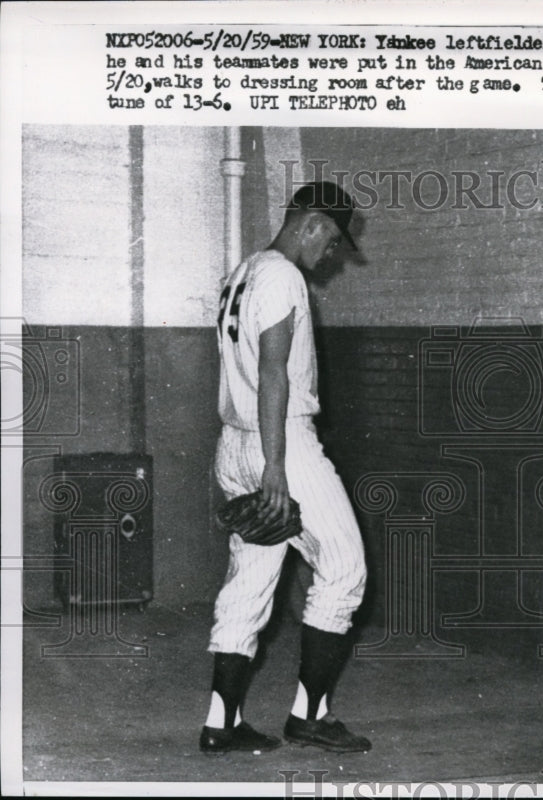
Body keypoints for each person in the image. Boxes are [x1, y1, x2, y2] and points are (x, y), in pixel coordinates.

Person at [200, 181, 370, 755]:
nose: (331, 256)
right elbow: (273, 373)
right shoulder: (281, 275)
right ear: (313, 224)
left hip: (236, 441)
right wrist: (276, 465)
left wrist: (248, 463)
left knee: (249, 581)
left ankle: (222, 723)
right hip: (281, 446)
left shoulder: (242, 273)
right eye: (333, 243)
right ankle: (310, 716)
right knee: (344, 568)